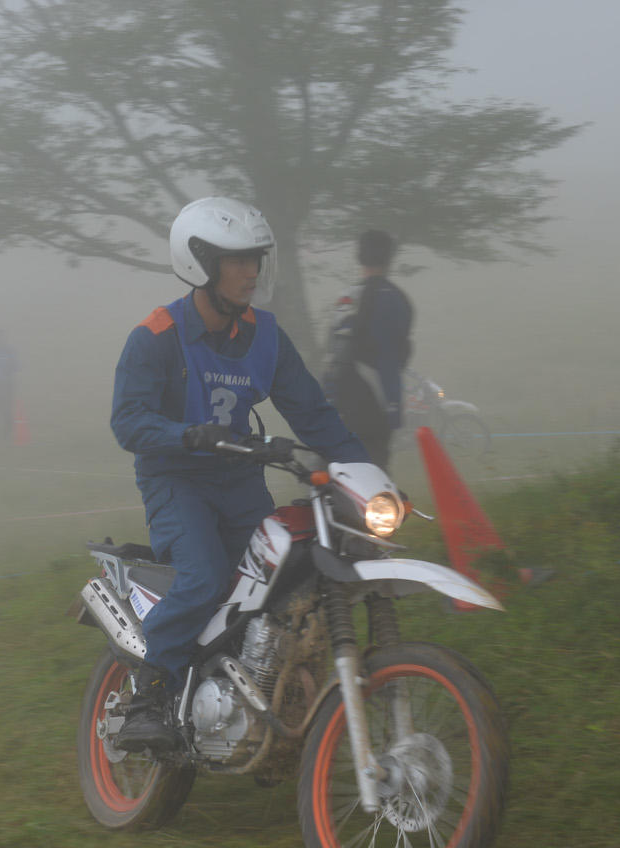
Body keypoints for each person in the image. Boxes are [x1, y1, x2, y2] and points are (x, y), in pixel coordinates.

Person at [110, 196, 370, 753]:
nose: (251, 272)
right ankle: (147, 696)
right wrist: (186, 434)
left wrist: (365, 474)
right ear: (199, 261)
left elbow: (314, 415)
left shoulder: (267, 337)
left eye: (255, 259)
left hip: (241, 480)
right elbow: (128, 422)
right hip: (176, 482)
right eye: (236, 261)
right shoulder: (155, 335)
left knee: (277, 587)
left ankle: (253, 700)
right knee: (203, 576)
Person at [321, 229, 414, 469]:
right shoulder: (398, 300)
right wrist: (394, 411)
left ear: (359, 256)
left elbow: (331, 351)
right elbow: (395, 356)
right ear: (390, 258)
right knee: (376, 485)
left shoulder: (345, 297)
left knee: (331, 479)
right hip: (376, 406)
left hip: (338, 401)